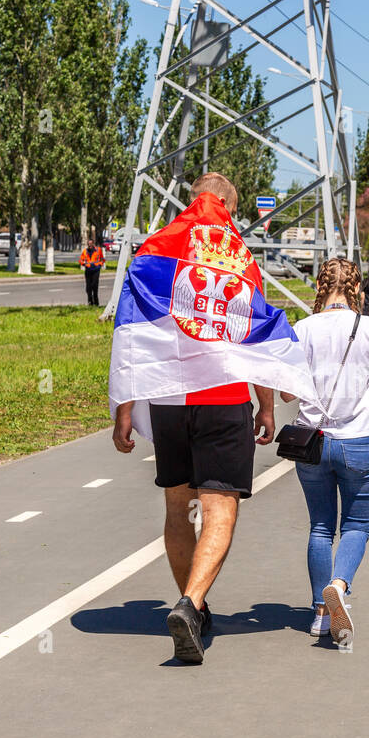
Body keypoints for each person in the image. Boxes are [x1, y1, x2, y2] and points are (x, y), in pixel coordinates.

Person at [110, 172, 282, 665]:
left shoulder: (158, 247)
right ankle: (191, 603)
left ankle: (194, 608)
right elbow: (252, 333)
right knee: (220, 508)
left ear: (194, 200)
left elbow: (135, 327)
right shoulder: (237, 256)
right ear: (227, 203)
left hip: (167, 398)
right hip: (224, 397)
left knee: (178, 507)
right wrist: (266, 404)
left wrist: (126, 407)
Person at [282, 258, 369, 647]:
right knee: (356, 525)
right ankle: (339, 585)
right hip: (361, 440)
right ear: (357, 289)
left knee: (319, 527)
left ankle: (320, 613)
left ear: (321, 286)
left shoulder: (302, 329)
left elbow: (285, 392)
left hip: (312, 441)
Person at [79, 238, 105, 307]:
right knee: (88, 288)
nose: (89, 245)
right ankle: (90, 303)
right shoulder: (85, 251)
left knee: (94, 286)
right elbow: (80, 260)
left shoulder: (98, 250)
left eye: (91, 244)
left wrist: (100, 265)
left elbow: (102, 259)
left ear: (93, 244)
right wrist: (84, 264)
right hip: (88, 270)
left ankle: (96, 303)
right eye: (88, 244)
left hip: (96, 270)